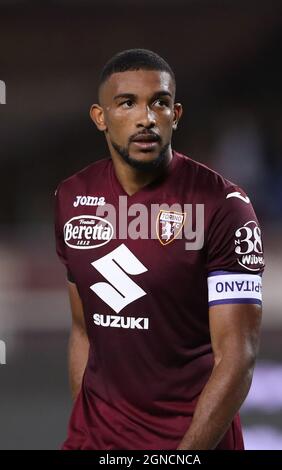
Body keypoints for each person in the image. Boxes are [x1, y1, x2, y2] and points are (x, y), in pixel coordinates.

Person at [54, 48, 265, 450]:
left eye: (159, 103)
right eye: (127, 103)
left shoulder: (223, 206)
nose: (146, 118)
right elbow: (84, 330)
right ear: (101, 117)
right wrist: (86, 431)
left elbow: (238, 356)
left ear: (176, 115)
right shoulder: (71, 197)